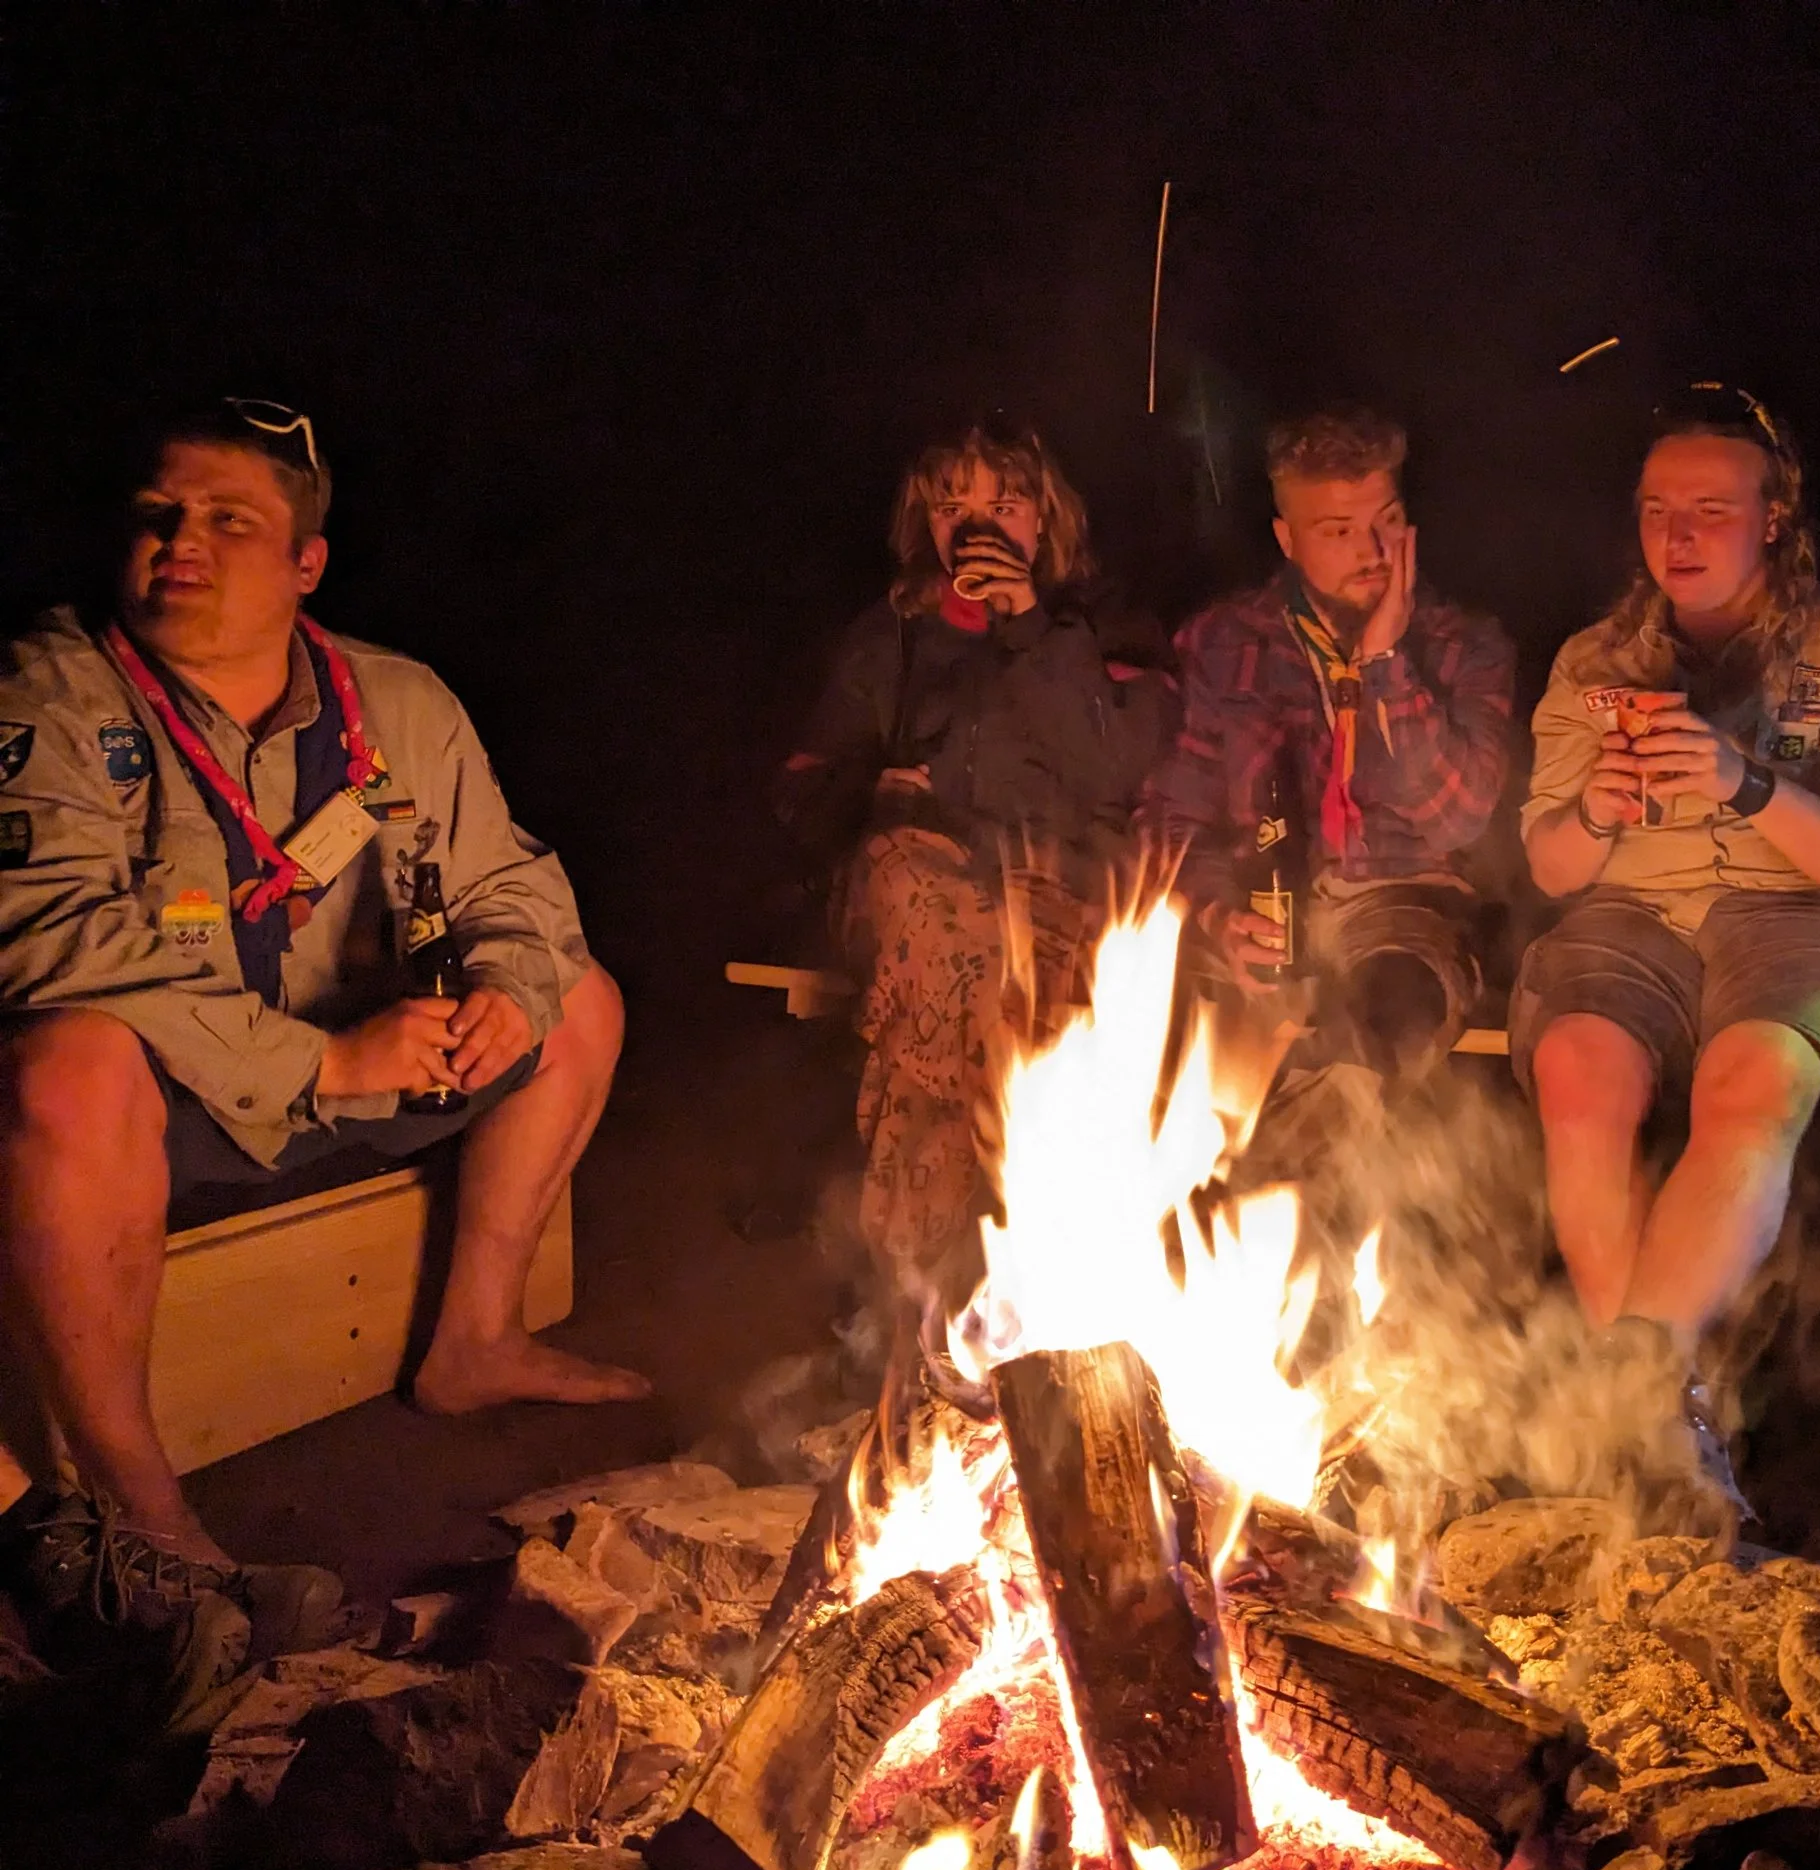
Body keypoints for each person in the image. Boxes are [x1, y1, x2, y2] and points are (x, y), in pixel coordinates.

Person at [0, 400, 638, 1632]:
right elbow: (43, 934)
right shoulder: (53, 695)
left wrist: (506, 990)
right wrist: (323, 1060)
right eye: (159, 515)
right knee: (64, 1069)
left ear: (307, 564)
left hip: (356, 1075)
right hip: (172, 1108)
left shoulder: (395, 701)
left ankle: (475, 1341)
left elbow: (513, 882)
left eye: (228, 521)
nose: (180, 540)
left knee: (579, 997)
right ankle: (145, 1524)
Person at [1510, 384, 1820, 1490]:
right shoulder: (1595, 661)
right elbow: (1552, 868)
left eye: (1710, 508)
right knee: (1575, 1061)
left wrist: (1748, 784)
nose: (1678, 535)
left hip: (1794, 914)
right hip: (1632, 915)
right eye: (1657, 508)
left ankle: (1630, 1407)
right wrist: (1598, 810)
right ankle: (1659, 1418)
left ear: (1773, 519)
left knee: (1750, 1076)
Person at [776, 415, 1175, 1320]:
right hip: (913, 873)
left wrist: (1031, 627)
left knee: (1022, 987)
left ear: (1047, 518)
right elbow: (802, 789)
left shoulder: (1107, 625)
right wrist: (870, 788)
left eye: (1005, 504)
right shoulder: (892, 637)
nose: (978, 527)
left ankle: (1007, 1294)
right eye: (953, 506)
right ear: (927, 522)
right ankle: (926, 1290)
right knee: (949, 942)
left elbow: (1113, 765)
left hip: (1056, 881)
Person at [1141, 407, 1515, 1084]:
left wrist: (1384, 663)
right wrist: (1218, 917)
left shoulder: (1467, 643)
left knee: (1375, 1030)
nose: (1373, 551)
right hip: (1265, 904)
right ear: (1287, 538)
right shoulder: (1227, 642)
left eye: (1387, 523)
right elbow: (1175, 817)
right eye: (1338, 531)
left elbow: (1457, 817)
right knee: (1168, 1047)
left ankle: (1334, 1147)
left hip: (1405, 910)